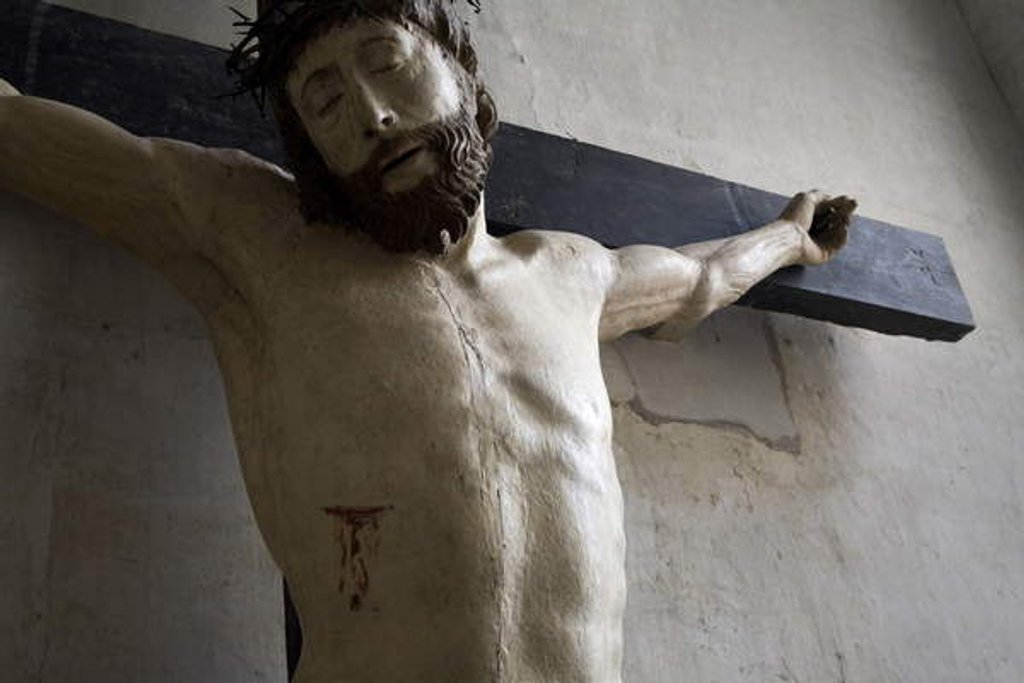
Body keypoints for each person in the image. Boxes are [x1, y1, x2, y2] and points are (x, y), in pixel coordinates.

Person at [0, 1, 855, 680]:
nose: (372, 114)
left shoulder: (570, 273)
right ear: (313, 161)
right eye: (327, 103)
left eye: (389, 65)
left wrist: (789, 236)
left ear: (469, 87)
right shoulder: (255, 238)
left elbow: (701, 278)